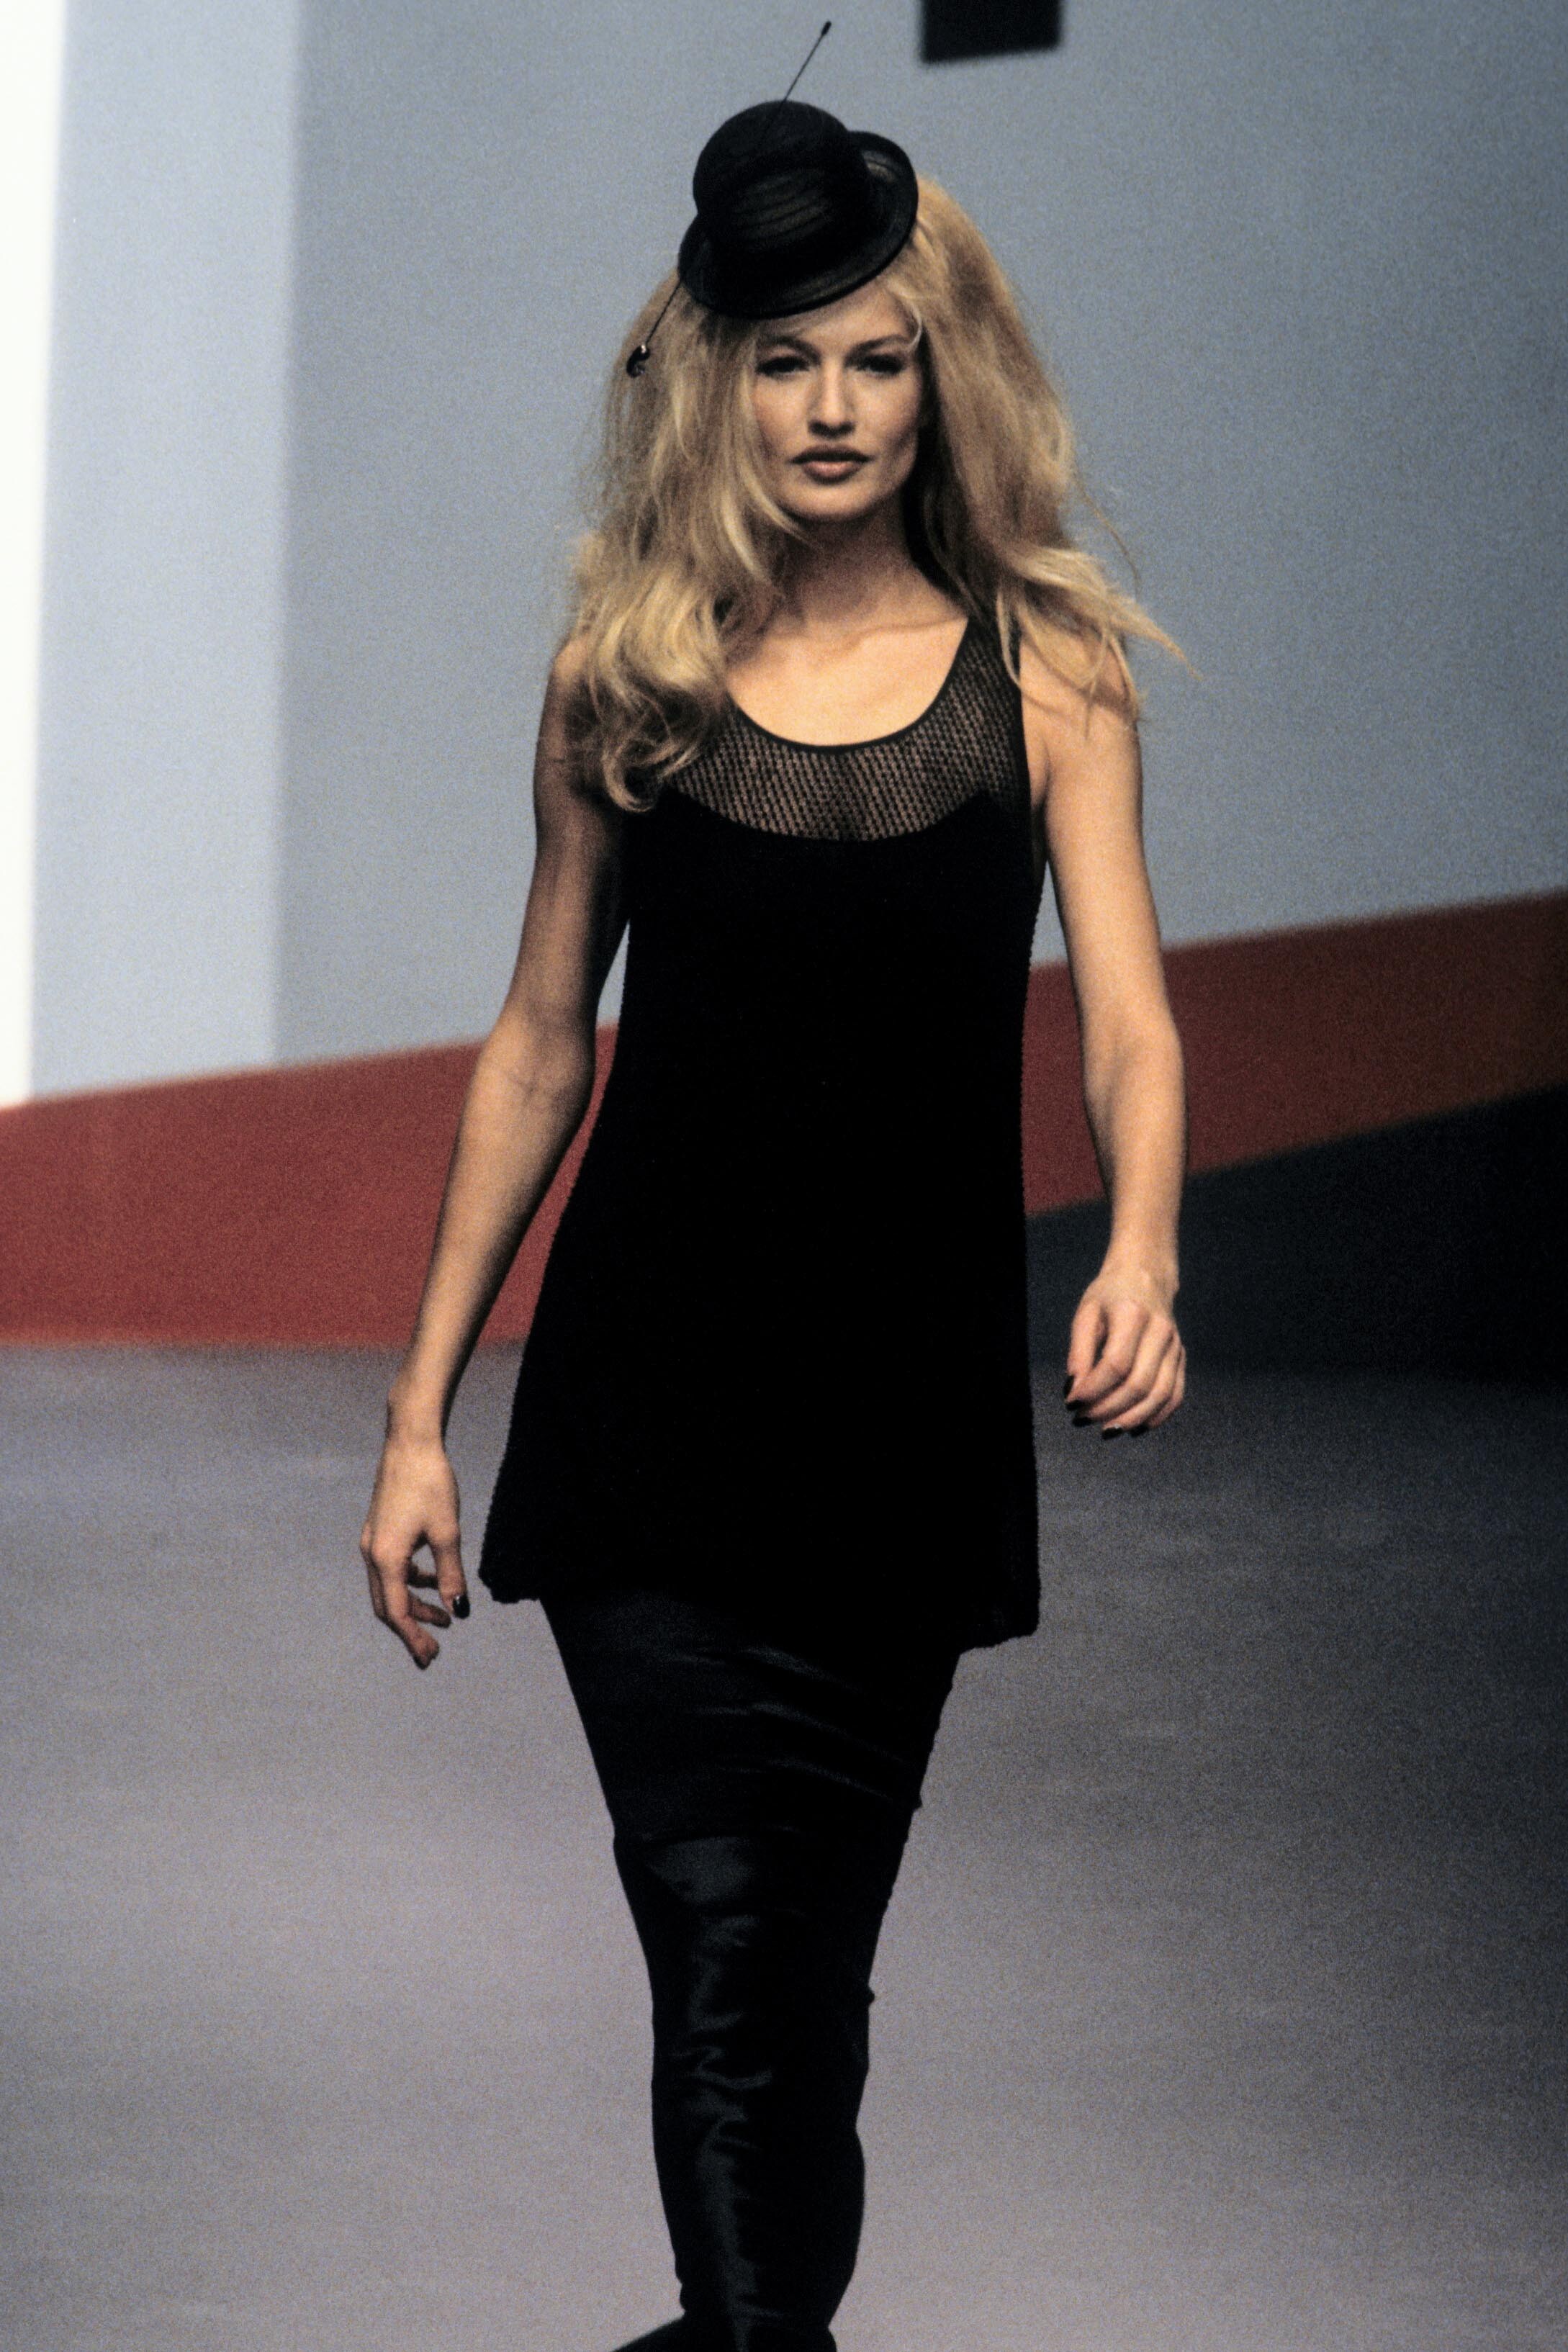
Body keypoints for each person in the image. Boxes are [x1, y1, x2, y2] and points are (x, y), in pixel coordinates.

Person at [360, 98, 1186, 2352]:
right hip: (648, 1418)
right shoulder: (623, 678)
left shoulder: (1049, 673)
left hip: (896, 1430)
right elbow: (539, 1044)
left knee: (804, 1989)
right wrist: (420, 1416)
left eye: (874, 358)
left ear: (940, 381)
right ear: (711, 383)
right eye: (782, 359)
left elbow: (1126, 1020)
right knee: (725, 1953)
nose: (829, 407)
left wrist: (1141, 1242)